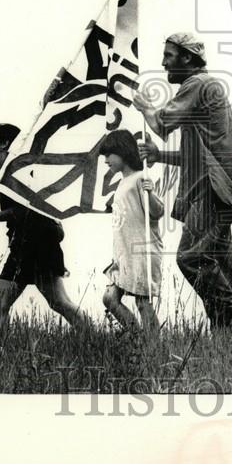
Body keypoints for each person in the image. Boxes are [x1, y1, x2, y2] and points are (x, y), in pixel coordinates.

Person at [132, 32, 232, 332]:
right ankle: (228, 334)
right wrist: (159, 155)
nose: (163, 62)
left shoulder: (197, 84)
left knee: (191, 257)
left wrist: (145, 108)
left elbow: (161, 123)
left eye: (169, 56)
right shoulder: (206, 87)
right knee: (219, 267)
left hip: (210, 187)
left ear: (187, 58)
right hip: (217, 187)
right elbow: (196, 154)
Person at [0, 123, 84, 327]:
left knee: (58, 302)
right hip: (24, 245)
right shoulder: (10, 172)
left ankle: (94, 337)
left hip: (39, 244)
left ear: (5, 144)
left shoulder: (17, 171)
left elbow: (22, 211)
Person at [99, 129, 164, 334]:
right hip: (124, 253)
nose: (106, 160)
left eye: (109, 154)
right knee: (110, 298)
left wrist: (150, 192)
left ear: (123, 152)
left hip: (141, 251)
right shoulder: (122, 182)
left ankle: (153, 347)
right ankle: (137, 336)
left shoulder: (139, 177)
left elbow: (157, 212)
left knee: (143, 302)